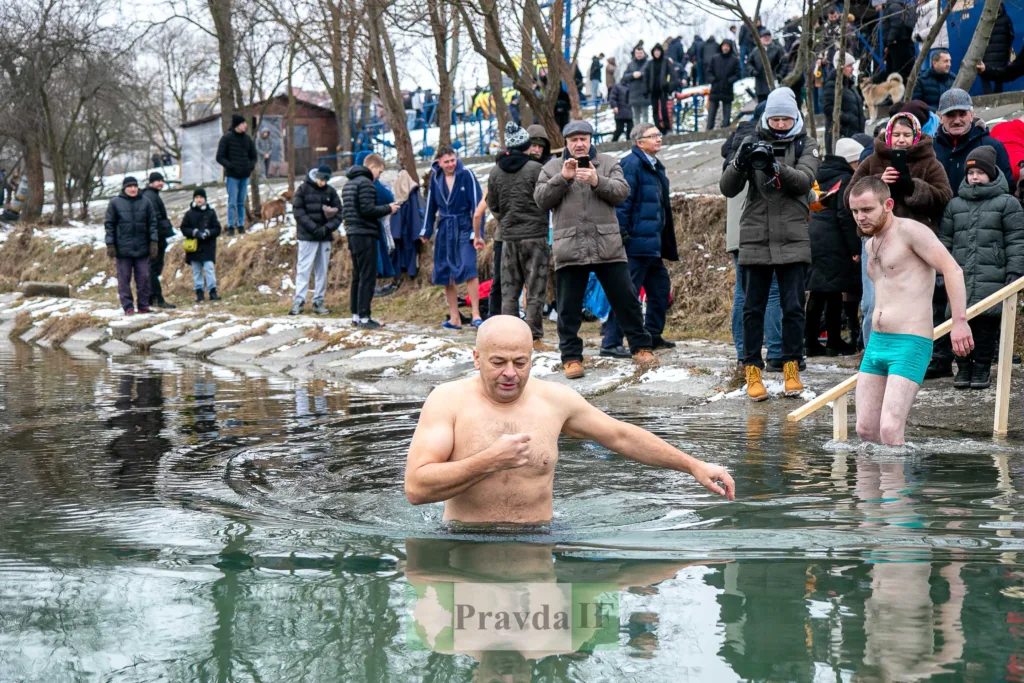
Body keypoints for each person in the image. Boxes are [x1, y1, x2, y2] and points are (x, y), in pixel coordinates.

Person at [403, 316, 735, 523]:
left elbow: (620, 436)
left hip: (539, 541)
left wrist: (693, 465)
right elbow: (416, 488)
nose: (509, 373)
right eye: (498, 362)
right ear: (476, 358)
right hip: (462, 544)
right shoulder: (447, 401)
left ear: (532, 358)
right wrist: (489, 461)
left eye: (520, 363)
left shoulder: (554, 400)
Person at [848, 177, 973, 446]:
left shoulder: (912, 232)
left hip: (910, 341)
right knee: (865, 430)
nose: (860, 217)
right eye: (855, 211)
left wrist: (959, 321)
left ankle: (897, 489)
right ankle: (868, 490)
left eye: (867, 210)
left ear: (888, 204)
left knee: (891, 429)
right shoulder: (870, 245)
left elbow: (952, 269)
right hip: (877, 343)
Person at [534, 120, 659, 378]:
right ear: (566, 143)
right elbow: (541, 200)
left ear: (591, 140)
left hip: (607, 245)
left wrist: (596, 180)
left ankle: (641, 348)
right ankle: (571, 358)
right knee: (568, 308)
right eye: (573, 140)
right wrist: (563, 179)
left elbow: (622, 192)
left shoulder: (609, 163)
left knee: (626, 300)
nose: (579, 144)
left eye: (583, 139)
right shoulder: (552, 167)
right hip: (570, 247)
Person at [720, 87, 820, 401]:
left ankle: (791, 369)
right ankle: (752, 372)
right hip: (755, 236)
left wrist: (775, 167)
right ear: (766, 117)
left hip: (792, 236)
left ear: (795, 118)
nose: (779, 124)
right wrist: (740, 161)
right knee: (752, 308)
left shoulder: (806, 143)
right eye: (774, 118)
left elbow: (804, 181)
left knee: (793, 307)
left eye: (785, 118)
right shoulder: (752, 141)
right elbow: (728, 188)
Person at [930, 88, 1013, 378]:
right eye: (950, 114)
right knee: (939, 297)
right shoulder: (931, 147)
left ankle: (980, 363)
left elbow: (1007, 185)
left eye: (961, 113)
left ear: (971, 113)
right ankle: (940, 357)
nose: (956, 119)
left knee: (982, 301)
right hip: (941, 229)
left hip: (984, 233)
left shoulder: (992, 145)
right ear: (940, 117)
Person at [938, 146, 1024, 389]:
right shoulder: (955, 205)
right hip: (960, 279)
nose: (974, 177)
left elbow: (1017, 240)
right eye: (970, 172)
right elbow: (944, 241)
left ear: (992, 174)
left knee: (985, 327)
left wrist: (1015, 272)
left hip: (993, 277)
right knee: (957, 322)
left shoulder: (1007, 203)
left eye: (980, 172)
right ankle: (964, 368)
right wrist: (939, 271)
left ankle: (982, 369)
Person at [600, 123, 679, 358]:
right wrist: (623, 235)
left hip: (652, 244)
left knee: (660, 289)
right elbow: (623, 203)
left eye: (659, 135)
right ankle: (611, 342)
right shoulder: (631, 164)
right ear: (639, 142)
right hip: (635, 244)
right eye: (652, 136)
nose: (658, 139)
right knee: (626, 294)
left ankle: (652, 335)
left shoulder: (655, 166)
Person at [721, 103, 787, 371]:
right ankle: (775, 352)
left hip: (738, 233)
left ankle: (742, 353)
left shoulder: (733, 153)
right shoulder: (759, 149)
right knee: (771, 290)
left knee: (742, 293)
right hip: (758, 230)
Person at [486, 122, 551, 350]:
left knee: (509, 290)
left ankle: (509, 338)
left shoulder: (495, 172)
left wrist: (504, 220)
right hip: (535, 236)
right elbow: (545, 198)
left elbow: (492, 203)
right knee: (535, 288)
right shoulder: (535, 169)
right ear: (526, 146)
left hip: (508, 237)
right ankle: (533, 337)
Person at [807, 138, 864, 356]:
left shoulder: (819, 175)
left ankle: (818, 340)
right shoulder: (846, 179)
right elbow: (844, 215)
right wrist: (854, 249)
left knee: (821, 292)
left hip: (814, 237)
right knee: (828, 292)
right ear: (851, 162)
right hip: (834, 241)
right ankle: (825, 341)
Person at [848, 112, 952, 232]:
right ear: (888, 135)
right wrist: (878, 183)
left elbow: (945, 198)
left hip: (917, 235)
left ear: (915, 136)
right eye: (896, 135)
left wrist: (913, 187)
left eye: (907, 135)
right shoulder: (871, 161)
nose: (901, 140)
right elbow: (848, 196)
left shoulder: (930, 163)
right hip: (876, 235)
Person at [420, 146, 486, 330]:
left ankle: (475, 314)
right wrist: (425, 231)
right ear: (439, 163)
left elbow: (478, 204)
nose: (450, 164)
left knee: (469, 267)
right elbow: (430, 206)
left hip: (465, 226)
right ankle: (455, 317)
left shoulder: (467, 175)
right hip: (444, 229)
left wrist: (477, 233)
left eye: (452, 160)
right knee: (445, 272)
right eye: (446, 162)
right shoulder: (436, 178)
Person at [338, 155, 398, 327]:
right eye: (379, 171)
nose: (379, 175)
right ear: (372, 167)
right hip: (365, 234)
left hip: (353, 234)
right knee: (367, 277)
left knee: (357, 276)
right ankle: (365, 317)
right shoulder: (366, 183)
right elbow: (367, 210)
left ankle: (356, 316)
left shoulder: (350, 183)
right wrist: (389, 209)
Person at [289, 165, 343, 316]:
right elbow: (298, 212)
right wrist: (313, 228)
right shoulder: (303, 189)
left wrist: (327, 228)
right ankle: (299, 300)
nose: (323, 183)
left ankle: (318, 300)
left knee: (322, 270)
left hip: (324, 237)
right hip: (307, 237)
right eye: (322, 179)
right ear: (317, 176)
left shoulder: (330, 192)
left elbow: (339, 212)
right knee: (304, 269)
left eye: (326, 180)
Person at [104, 177, 157, 315]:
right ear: (124, 188)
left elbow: (152, 224)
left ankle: (143, 305)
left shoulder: (146, 202)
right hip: (123, 249)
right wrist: (110, 243)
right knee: (124, 278)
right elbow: (109, 225)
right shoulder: (115, 203)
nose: (133, 189)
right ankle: (128, 306)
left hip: (142, 248)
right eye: (130, 186)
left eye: (135, 186)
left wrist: (153, 242)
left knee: (144, 278)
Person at [215, 114, 257, 236]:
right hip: (232, 175)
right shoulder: (226, 138)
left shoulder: (247, 139)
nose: (245, 125)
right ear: (237, 125)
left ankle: (241, 225)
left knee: (241, 201)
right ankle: (231, 226)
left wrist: (250, 166)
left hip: (244, 175)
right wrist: (230, 166)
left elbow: (253, 156)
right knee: (232, 202)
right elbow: (219, 157)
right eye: (243, 123)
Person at [179, 187, 222, 303]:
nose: (199, 200)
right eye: (197, 197)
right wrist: (194, 233)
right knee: (196, 271)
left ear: (205, 199)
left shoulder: (211, 212)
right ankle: (199, 292)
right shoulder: (189, 214)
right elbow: (183, 228)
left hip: (208, 246)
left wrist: (208, 233)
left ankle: (212, 291)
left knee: (209, 268)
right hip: (194, 248)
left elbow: (217, 228)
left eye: (201, 197)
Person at [141, 172, 176, 310]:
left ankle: (151, 298)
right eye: (157, 181)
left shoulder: (151, 195)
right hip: (155, 239)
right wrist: (157, 237)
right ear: (151, 183)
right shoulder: (150, 196)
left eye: (161, 180)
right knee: (153, 269)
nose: (160, 183)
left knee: (153, 268)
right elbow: (154, 219)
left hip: (155, 237)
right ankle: (157, 298)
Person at [822, 53, 867, 153]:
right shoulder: (832, 85)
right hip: (842, 136)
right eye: (849, 66)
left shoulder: (849, 84)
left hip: (855, 135)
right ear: (841, 67)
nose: (852, 69)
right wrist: (848, 118)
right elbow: (828, 108)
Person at [642, 44, 678, 136]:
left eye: (658, 51)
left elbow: (673, 75)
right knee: (655, 111)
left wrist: (670, 86)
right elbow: (646, 77)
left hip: (663, 90)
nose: (657, 53)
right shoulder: (650, 63)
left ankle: (667, 127)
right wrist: (646, 89)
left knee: (664, 110)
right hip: (653, 90)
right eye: (655, 51)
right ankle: (658, 128)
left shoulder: (666, 62)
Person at [981, 2, 1014, 95]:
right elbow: (1011, 35)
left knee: (984, 74)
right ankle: (997, 97)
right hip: (1002, 55)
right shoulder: (1006, 19)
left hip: (987, 55)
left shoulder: (985, 20)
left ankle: (988, 97)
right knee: (999, 76)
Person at [708, 40, 741, 131]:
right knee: (711, 112)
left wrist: (729, 81)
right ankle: (708, 130)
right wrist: (713, 80)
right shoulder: (715, 58)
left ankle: (726, 130)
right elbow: (709, 71)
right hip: (715, 88)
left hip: (727, 89)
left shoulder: (734, 60)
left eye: (727, 46)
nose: (725, 48)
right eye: (724, 46)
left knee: (727, 113)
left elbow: (738, 74)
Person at [881, 0, 917, 80]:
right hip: (897, 43)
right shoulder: (893, 6)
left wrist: (889, 41)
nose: (877, 8)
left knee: (899, 73)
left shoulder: (894, 6)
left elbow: (896, 24)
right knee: (894, 72)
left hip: (899, 44)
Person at [747, 29, 785, 104]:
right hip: (760, 85)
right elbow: (749, 64)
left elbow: (784, 63)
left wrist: (780, 75)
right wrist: (753, 71)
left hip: (774, 83)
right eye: (764, 37)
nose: (767, 38)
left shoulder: (777, 49)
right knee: (762, 107)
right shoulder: (755, 51)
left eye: (768, 36)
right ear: (760, 39)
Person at [623, 43, 651, 124]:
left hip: (644, 93)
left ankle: (646, 133)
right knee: (636, 116)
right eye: (637, 53)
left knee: (645, 115)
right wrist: (633, 75)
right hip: (634, 94)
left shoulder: (648, 63)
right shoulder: (630, 64)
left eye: (640, 53)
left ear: (643, 53)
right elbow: (624, 77)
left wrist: (641, 74)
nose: (639, 55)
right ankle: (637, 134)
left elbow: (651, 75)